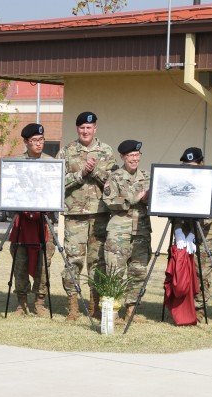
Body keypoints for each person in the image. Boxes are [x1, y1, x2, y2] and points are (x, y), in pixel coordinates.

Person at [56, 112, 116, 320]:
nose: (85, 131)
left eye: (89, 127)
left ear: (95, 128)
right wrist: (80, 174)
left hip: (100, 214)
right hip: (75, 215)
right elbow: (57, 181)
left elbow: (113, 184)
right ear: (77, 129)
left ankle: (95, 305)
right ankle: (73, 305)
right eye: (82, 127)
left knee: (98, 262)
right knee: (73, 261)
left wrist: (95, 172)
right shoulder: (67, 151)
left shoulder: (106, 151)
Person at [8, 123, 55, 317]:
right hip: (22, 221)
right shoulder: (16, 163)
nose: (39, 144)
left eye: (41, 140)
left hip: (43, 222)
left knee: (44, 263)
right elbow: (10, 189)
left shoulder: (51, 163)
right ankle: (21, 302)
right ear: (26, 142)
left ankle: (40, 301)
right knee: (20, 261)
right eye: (35, 140)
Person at [103, 140, 151, 322]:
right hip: (119, 232)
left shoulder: (147, 176)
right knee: (115, 271)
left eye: (137, 155)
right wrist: (135, 197)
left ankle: (132, 309)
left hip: (141, 231)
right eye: (130, 155)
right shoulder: (114, 177)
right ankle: (113, 311)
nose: (134, 159)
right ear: (122, 157)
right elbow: (110, 201)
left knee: (138, 271)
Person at [172, 147, 212, 324]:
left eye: (193, 165)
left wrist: (193, 234)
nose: (190, 169)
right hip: (183, 233)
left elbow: (211, 212)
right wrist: (178, 231)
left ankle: (199, 308)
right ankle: (183, 307)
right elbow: (172, 207)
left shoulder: (211, 182)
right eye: (186, 166)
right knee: (182, 270)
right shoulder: (178, 181)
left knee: (203, 273)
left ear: (202, 163)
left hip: (206, 233)